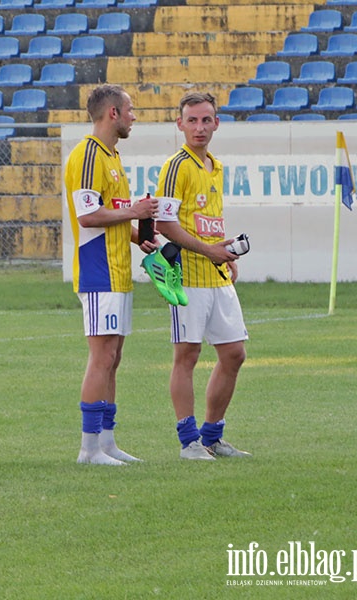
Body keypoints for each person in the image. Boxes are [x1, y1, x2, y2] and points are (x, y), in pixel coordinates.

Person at [63, 84, 159, 466]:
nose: (134, 116)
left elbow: (112, 214)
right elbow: (88, 216)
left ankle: (107, 440)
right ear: (112, 114)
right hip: (97, 270)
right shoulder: (88, 155)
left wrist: (138, 237)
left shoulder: (112, 157)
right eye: (130, 110)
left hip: (117, 271)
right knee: (101, 356)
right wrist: (134, 212)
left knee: (113, 357)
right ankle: (88, 449)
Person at [155, 92, 251, 461]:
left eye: (206, 120)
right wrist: (209, 251)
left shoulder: (216, 165)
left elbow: (206, 222)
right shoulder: (176, 166)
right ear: (180, 124)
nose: (199, 127)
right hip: (188, 276)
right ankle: (188, 441)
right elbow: (165, 224)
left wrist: (224, 253)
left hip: (216, 275)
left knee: (234, 353)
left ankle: (212, 436)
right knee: (188, 355)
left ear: (217, 123)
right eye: (192, 120)